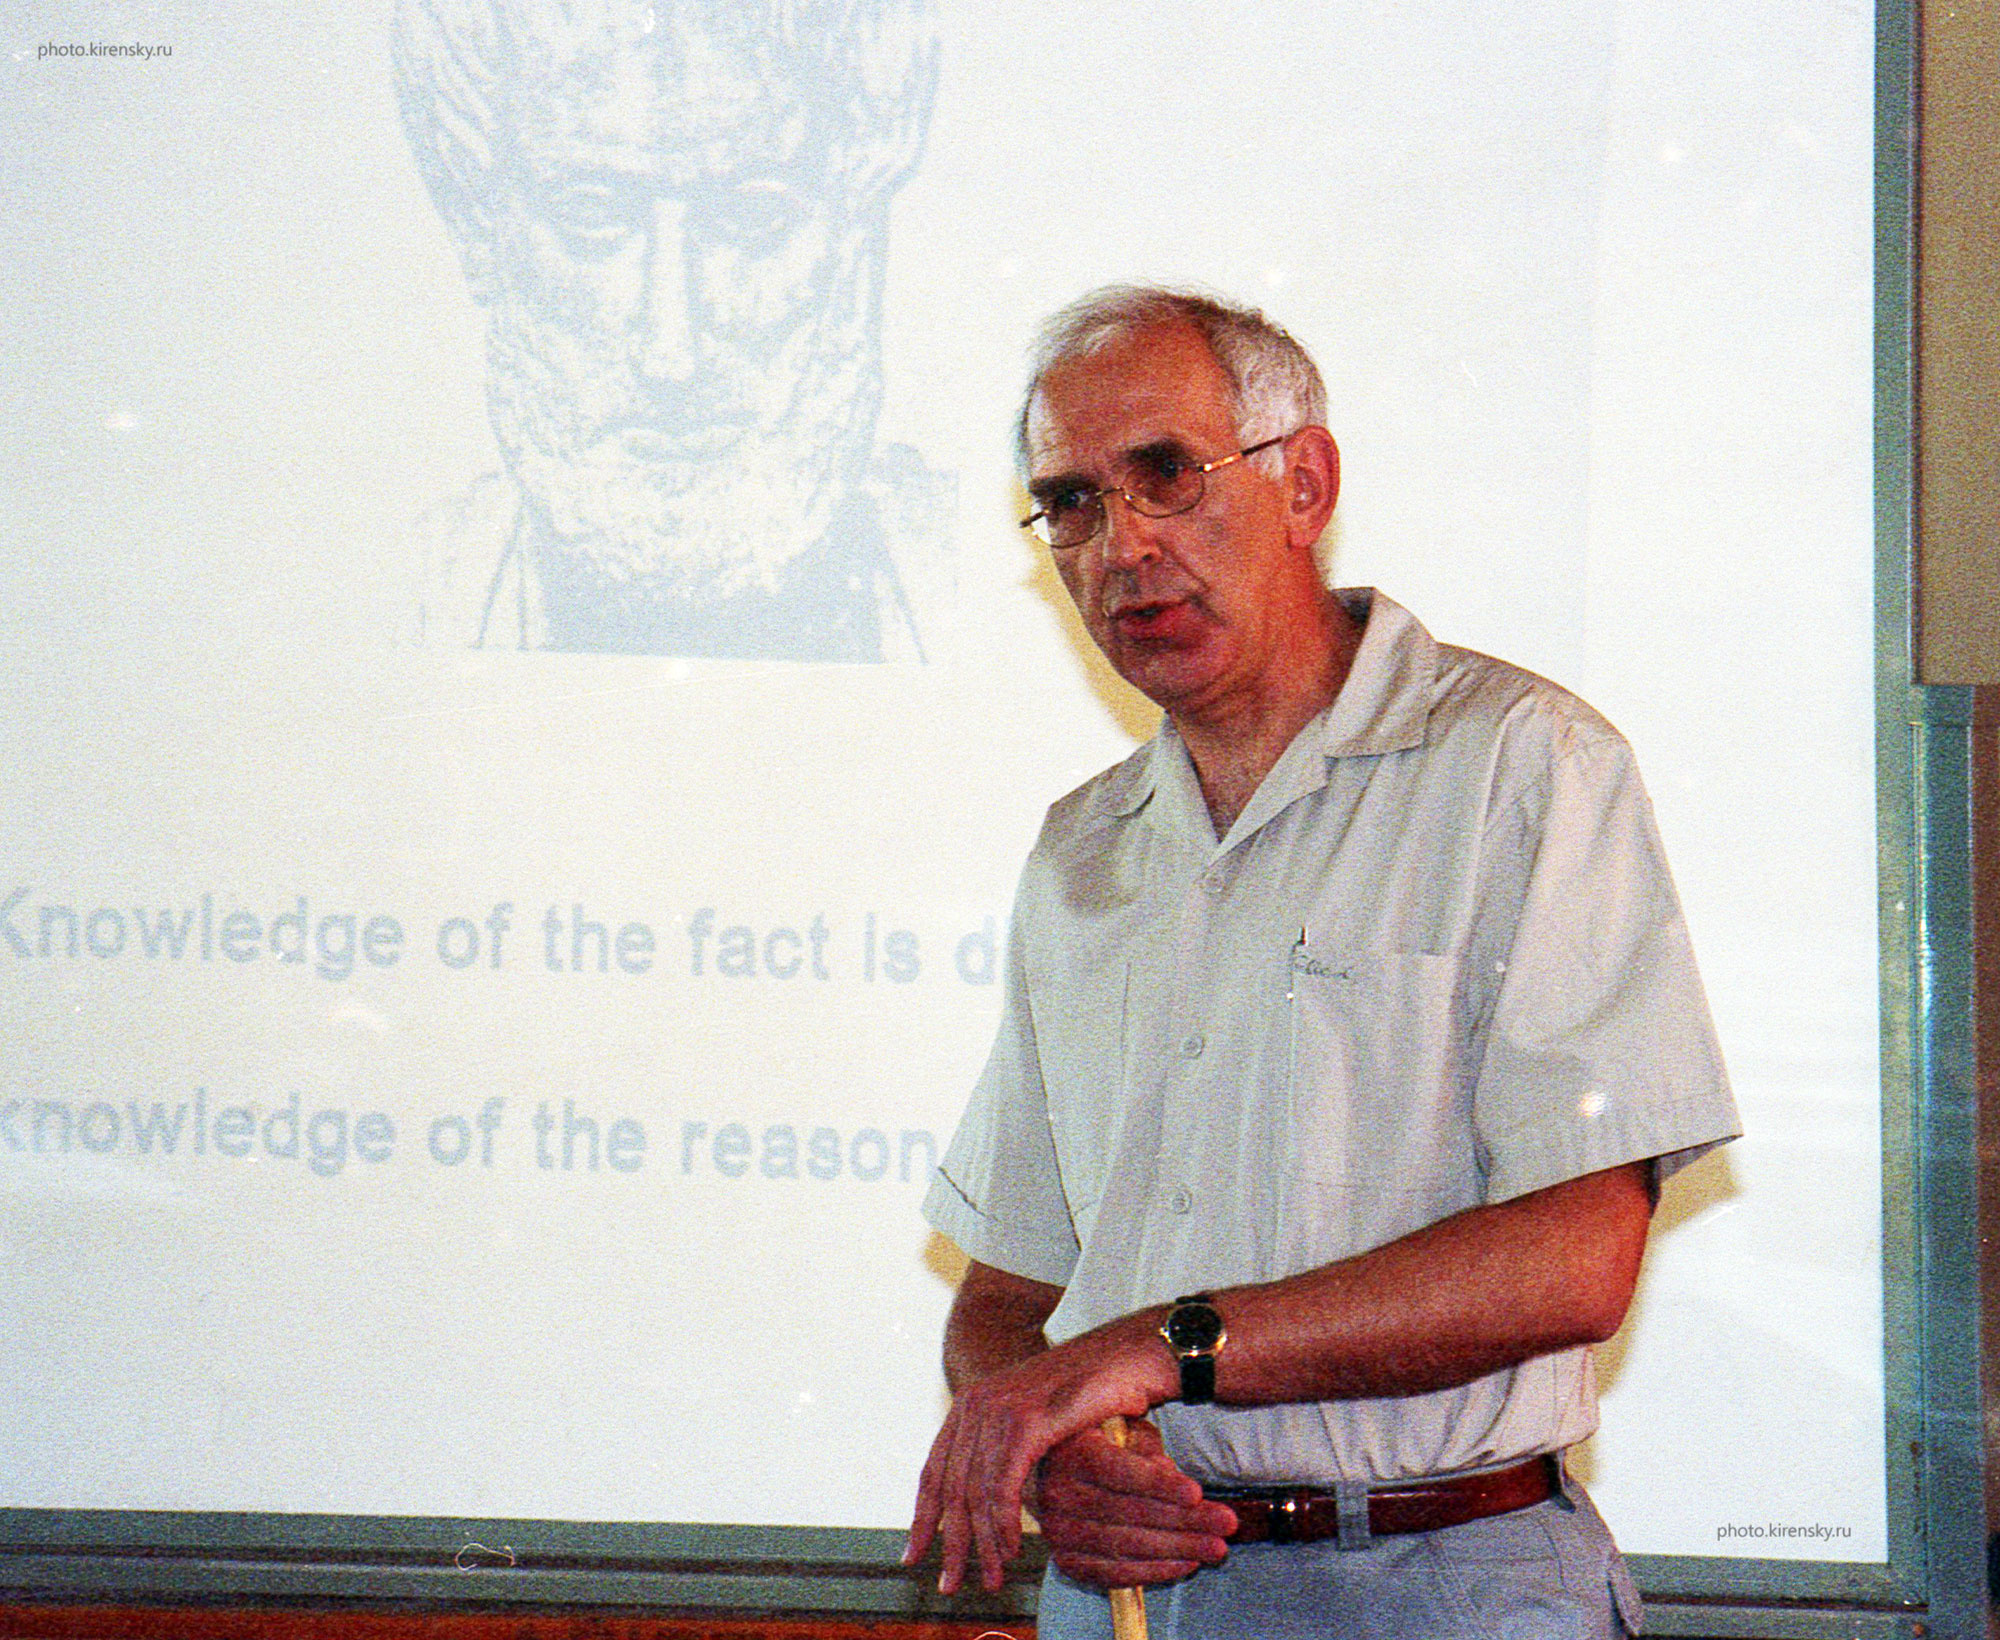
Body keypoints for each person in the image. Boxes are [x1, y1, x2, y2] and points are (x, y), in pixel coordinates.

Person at [904, 285, 1741, 1637]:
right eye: (1069, 504)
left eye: (1164, 476)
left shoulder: (1521, 765)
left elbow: (1578, 1256)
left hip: (1439, 1575)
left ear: (1304, 484)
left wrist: (1155, 1351)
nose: (1121, 546)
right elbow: (1008, 1294)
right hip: (1132, 1597)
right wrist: (1053, 1445)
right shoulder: (1081, 851)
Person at [392, 0, 949, 659]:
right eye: (592, 217)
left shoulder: (970, 588)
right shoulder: (400, 596)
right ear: (478, 238)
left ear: (858, 230)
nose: (671, 356)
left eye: (752, 219)